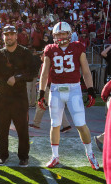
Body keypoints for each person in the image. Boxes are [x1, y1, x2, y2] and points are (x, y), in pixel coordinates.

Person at [38, 22, 99, 170]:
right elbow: (44, 73)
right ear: (54, 36)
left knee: (80, 123)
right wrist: (41, 93)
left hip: (74, 90)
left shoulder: (77, 47)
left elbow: (85, 71)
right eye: (57, 34)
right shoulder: (50, 49)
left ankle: (90, 154)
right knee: (55, 124)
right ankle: (55, 156)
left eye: (63, 34)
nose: (60, 37)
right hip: (56, 90)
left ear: (69, 34)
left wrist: (90, 90)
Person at [0, 26, 36, 167]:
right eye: (6, 35)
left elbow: (32, 73)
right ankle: (3, 155)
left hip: (19, 97)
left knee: (22, 129)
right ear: (3, 37)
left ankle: (24, 157)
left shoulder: (25, 53)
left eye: (11, 34)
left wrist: (17, 77)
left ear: (16, 36)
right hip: (2, 98)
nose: (9, 37)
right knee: (1, 129)